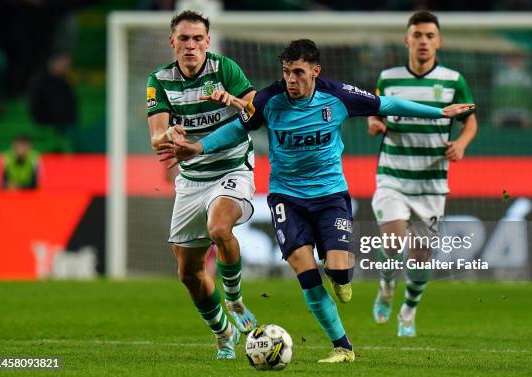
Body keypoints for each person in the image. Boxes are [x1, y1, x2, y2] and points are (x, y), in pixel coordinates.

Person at [158, 39, 473, 363]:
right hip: (287, 198)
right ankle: (343, 347)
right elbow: (237, 130)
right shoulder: (269, 100)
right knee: (305, 271)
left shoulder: (337, 96)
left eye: (298, 73)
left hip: (330, 196)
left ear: (315, 72)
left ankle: (340, 278)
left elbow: (388, 105)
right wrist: (198, 148)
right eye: (286, 72)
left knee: (339, 271)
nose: (291, 80)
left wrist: (439, 112)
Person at [146, 10, 258, 360]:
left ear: (207, 42)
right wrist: (170, 134)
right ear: (172, 42)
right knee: (188, 273)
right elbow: (156, 137)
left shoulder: (225, 69)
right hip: (192, 180)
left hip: (232, 169)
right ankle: (224, 333)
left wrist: (235, 101)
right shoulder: (159, 79)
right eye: (184, 38)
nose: (191, 45)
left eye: (197, 38)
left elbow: (255, 113)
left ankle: (236, 300)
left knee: (219, 227)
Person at [366, 11, 477, 337]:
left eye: (430, 36)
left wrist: (462, 143)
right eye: (418, 35)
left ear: (438, 41)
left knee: (420, 254)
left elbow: (470, 119)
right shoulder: (388, 78)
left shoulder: (453, 80)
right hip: (393, 176)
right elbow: (375, 113)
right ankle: (386, 288)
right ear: (407, 40)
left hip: (431, 183)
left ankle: (408, 309)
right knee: (392, 239)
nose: (424, 41)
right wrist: (373, 123)